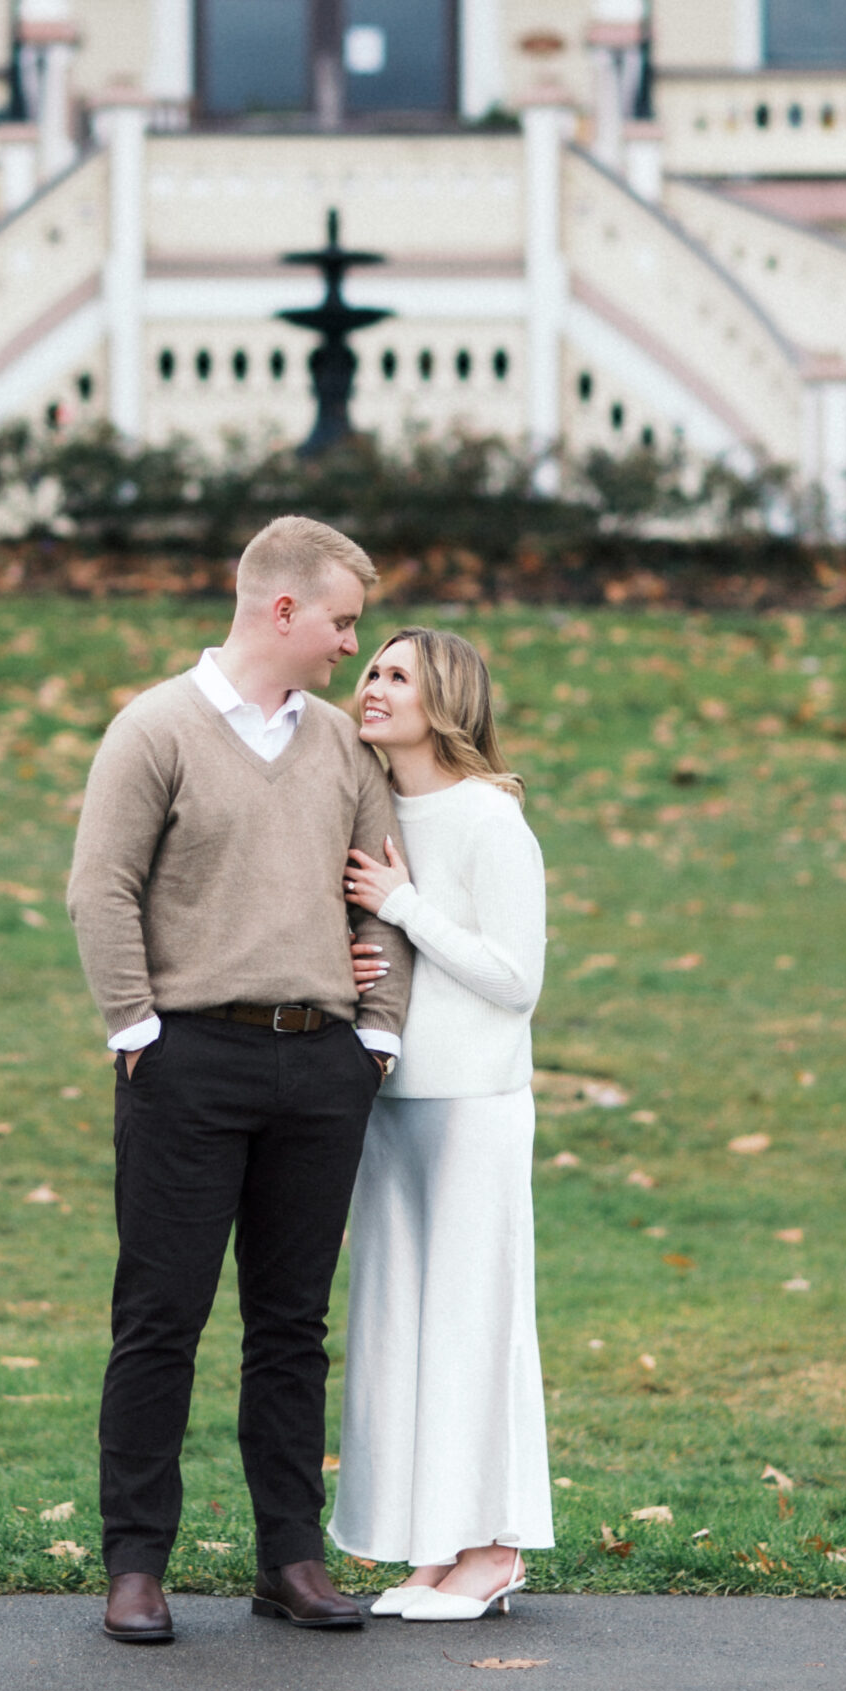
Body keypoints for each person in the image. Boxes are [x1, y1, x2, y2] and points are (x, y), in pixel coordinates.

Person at [67, 516, 414, 1646]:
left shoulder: (340, 747)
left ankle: (290, 1560)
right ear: (281, 610)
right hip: (188, 1062)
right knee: (160, 1316)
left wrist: (377, 1038)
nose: (346, 648)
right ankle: (135, 1566)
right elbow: (100, 890)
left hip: (322, 1065)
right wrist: (135, 1028)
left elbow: (380, 896)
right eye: (341, 621)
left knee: (290, 1325)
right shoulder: (154, 730)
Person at [332, 626, 552, 1622]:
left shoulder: (487, 820)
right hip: (388, 1097)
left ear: (445, 700)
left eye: (395, 676)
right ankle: (433, 1546)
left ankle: (494, 1548)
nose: (369, 686)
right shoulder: (366, 807)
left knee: (475, 1322)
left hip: (474, 1103)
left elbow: (516, 980)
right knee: (402, 1327)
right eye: (369, 668)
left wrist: (406, 908)